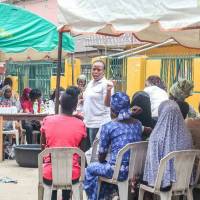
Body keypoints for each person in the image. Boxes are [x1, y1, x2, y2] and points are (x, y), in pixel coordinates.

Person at [84, 92, 142, 200]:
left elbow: (101, 157)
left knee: (91, 169)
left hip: (118, 171)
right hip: (136, 171)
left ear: (112, 110)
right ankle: (110, 195)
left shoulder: (108, 126)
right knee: (105, 168)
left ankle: (93, 198)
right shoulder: (138, 124)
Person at [40, 86, 86, 200]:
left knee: (52, 179)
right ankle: (66, 197)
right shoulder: (81, 124)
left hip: (49, 173)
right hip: (72, 174)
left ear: (60, 103)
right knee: (70, 167)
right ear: (75, 106)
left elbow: (42, 148)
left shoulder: (47, 120)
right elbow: (82, 152)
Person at [143, 100, 192, 191]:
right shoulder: (187, 135)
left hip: (165, 184)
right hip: (185, 181)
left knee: (140, 177)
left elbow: (152, 170)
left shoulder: (156, 138)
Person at [83, 60, 114, 148]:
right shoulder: (90, 83)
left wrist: (108, 91)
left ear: (104, 71)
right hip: (87, 122)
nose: (95, 72)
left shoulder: (107, 84)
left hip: (98, 123)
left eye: (99, 70)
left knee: (95, 152)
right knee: (87, 151)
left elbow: (108, 104)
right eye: (94, 69)